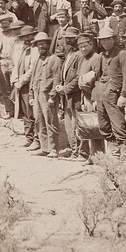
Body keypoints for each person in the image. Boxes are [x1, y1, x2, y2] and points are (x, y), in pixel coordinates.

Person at [94, 27, 126, 159]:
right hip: (101, 94)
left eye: (108, 39)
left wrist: (123, 95)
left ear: (114, 39)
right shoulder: (101, 56)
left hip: (114, 95)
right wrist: (96, 97)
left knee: (118, 124)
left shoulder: (122, 54)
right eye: (102, 40)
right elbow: (98, 77)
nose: (105, 42)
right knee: (104, 126)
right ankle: (115, 153)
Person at [29, 32, 63, 158]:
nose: (40, 47)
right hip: (37, 94)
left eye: (42, 44)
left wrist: (53, 96)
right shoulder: (38, 59)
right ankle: (44, 147)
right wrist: (31, 95)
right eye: (38, 45)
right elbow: (33, 78)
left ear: (48, 44)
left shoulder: (54, 60)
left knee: (51, 121)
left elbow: (56, 80)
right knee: (39, 121)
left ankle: (54, 149)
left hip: (47, 95)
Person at [76, 32, 104, 164]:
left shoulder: (96, 58)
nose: (83, 49)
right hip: (85, 96)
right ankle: (91, 156)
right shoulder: (84, 58)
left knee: (96, 127)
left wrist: (94, 99)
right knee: (88, 127)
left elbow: (97, 80)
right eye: (80, 47)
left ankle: (98, 156)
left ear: (91, 44)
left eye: (85, 46)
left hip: (93, 96)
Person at [55, 27, 82, 160]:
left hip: (76, 95)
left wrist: (66, 88)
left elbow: (78, 77)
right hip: (67, 97)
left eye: (72, 39)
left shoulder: (79, 55)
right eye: (67, 39)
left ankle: (80, 152)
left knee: (77, 124)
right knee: (68, 125)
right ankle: (74, 151)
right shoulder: (68, 55)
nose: (69, 41)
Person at [11, 26, 39, 148]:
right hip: (21, 86)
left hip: (31, 85)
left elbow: (32, 70)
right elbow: (16, 67)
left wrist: (21, 81)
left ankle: (37, 139)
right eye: (24, 37)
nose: (27, 39)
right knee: (25, 112)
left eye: (29, 37)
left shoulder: (36, 51)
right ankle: (29, 137)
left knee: (33, 112)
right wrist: (15, 80)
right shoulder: (23, 50)